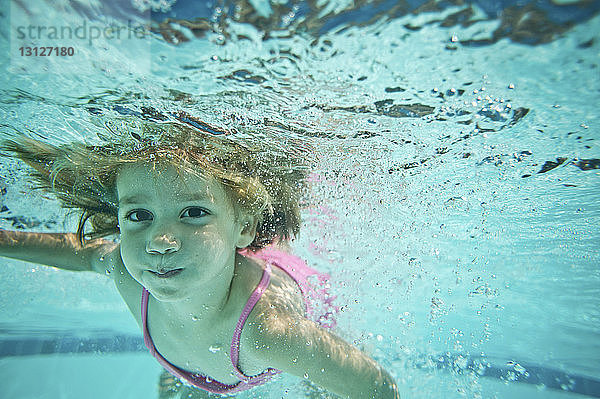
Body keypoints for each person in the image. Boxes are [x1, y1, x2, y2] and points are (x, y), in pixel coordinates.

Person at [0, 118, 399, 399]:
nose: (160, 242)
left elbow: (379, 388)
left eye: (193, 213)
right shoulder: (127, 269)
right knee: (178, 389)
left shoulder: (272, 334)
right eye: (138, 216)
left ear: (243, 229)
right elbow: (79, 252)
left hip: (277, 299)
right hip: (193, 365)